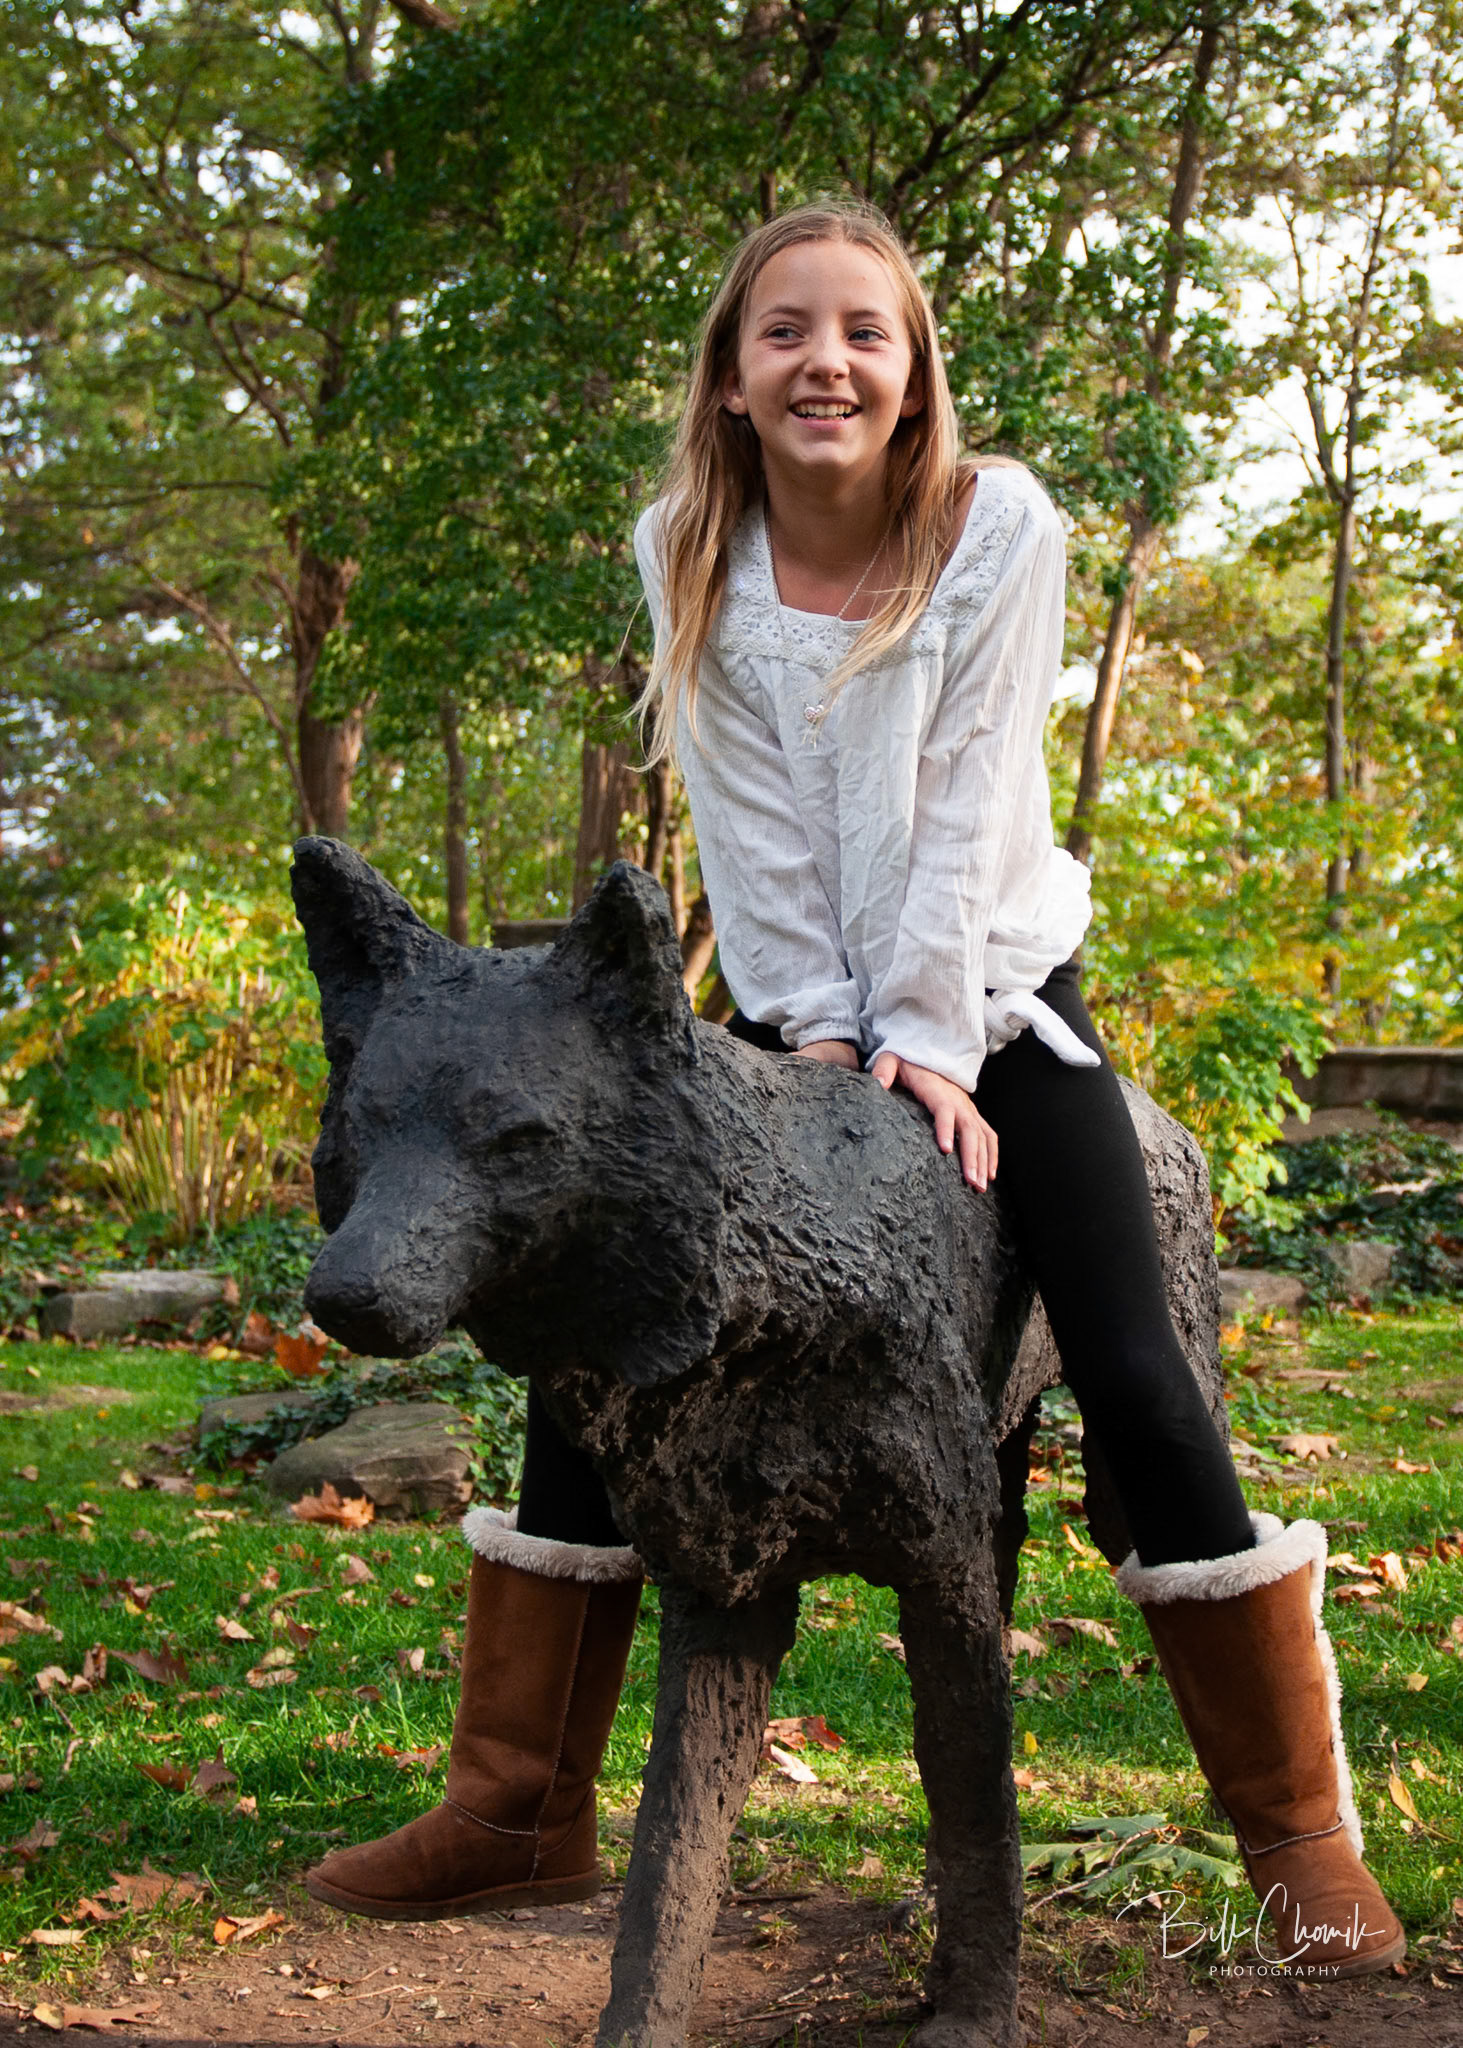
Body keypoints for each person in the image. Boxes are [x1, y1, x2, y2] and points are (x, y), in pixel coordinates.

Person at [305, 199, 1403, 1978]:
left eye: (864, 334)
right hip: (793, 1006)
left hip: (995, 992)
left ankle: (1296, 1836)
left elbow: (971, 807)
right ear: (733, 382)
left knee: (1126, 1354)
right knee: (594, 1329)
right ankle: (517, 1801)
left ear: (913, 376)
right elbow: (741, 830)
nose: (827, 361)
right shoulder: (686, 542)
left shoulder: (997, 523)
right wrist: (813, 1039)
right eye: (786, 334)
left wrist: (932, 1051)